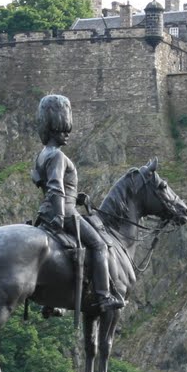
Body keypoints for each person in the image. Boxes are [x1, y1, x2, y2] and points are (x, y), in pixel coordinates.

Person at [30, 93, 124, 314]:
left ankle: (51, 302)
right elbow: (55, 188)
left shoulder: (42, 155)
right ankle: (103, 296)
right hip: (65, 212)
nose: (67, 135)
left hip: (46, 212)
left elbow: (49, 185)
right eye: (63, 130)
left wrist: (76, 195)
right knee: (100, 245)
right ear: (53, 129)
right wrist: (62, 216)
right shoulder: (58, 157)